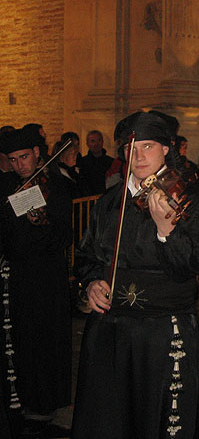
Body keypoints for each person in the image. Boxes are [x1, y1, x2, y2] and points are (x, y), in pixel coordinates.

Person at [71, 111, 199, 439]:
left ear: (166, 150)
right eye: (132, 149)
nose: (139, 156)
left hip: (161, 331)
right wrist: (90, 283)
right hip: (111, 330)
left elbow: (191, 265)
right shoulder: (109, 202)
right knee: (108, 421)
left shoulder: (188, 198)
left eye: (148, 146)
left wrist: (166, 231)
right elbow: (87, 256)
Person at [0, 127, 72, 436]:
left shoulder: (55, 185)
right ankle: (24, 399)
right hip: (18, 274)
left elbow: (64, 235)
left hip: (48, 275)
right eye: (13, 160)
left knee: (47, 336)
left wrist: (36, 214)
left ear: (38, 153)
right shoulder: (7, 186)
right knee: (23, 338)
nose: (21, 166)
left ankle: (47, 403)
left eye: (25, 157)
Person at [78, 130, 114, 195]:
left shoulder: (111, 162)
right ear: (87, 144)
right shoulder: (82, 163)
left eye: (99, 140)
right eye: (92, 141)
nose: (96, 144)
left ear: (103, 142)